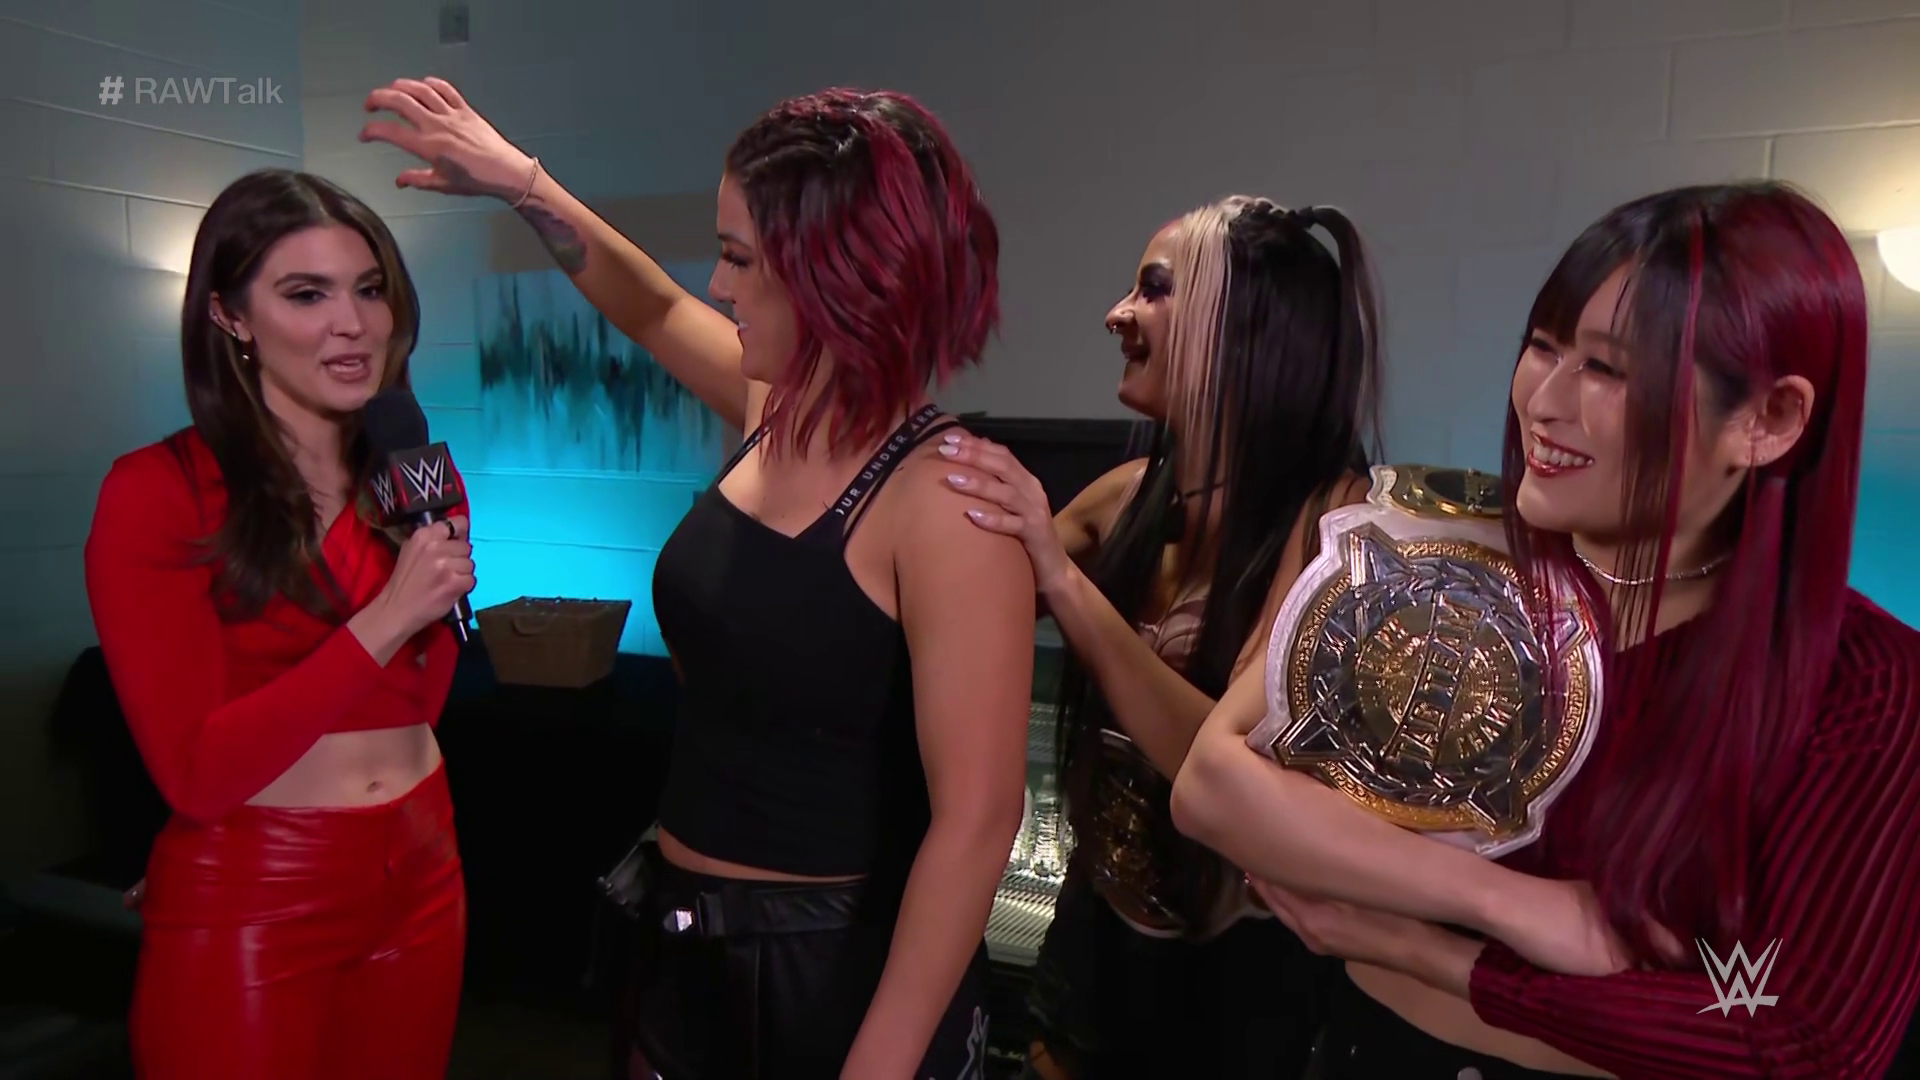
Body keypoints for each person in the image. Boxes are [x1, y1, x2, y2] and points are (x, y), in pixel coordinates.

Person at [359, 77, 1034, 1079]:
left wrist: (881, 1064)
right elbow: (651, 304)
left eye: (740, 258)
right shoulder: (775, 410)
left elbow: (977, 824)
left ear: (839, 272)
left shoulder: (943, 500)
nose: (717, 286)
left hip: (828, 966)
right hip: (682, 937)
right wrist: (520, 183)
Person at [1169, 180, 1920, 1079]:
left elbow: (1791, 1034)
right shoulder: (1431, 550)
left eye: (1608, 369)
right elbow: (1214, 784)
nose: (1544, 402)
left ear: (1769, 420)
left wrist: (1429, 952)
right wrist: (1517, 907)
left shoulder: (1868, 685)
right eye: (1544, 346)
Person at [936, 194, 1382, 1078]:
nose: (1117, 314)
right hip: (1092, 958)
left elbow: (1220, 767)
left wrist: (1064, 579)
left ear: (1241, 325)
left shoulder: (1335, 524)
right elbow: (958, 597)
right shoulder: (1128, 495)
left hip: (1239, 997)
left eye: (1154, 290)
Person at [83, 168, 476, 1080]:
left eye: (369, 289)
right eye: (307, 294)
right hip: (256, 883)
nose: (354, 323)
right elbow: (198, 772)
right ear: (231, 316)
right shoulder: (156, 492)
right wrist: (384, 619)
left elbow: (422, 695)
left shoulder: (420, 476)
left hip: (424, 864)